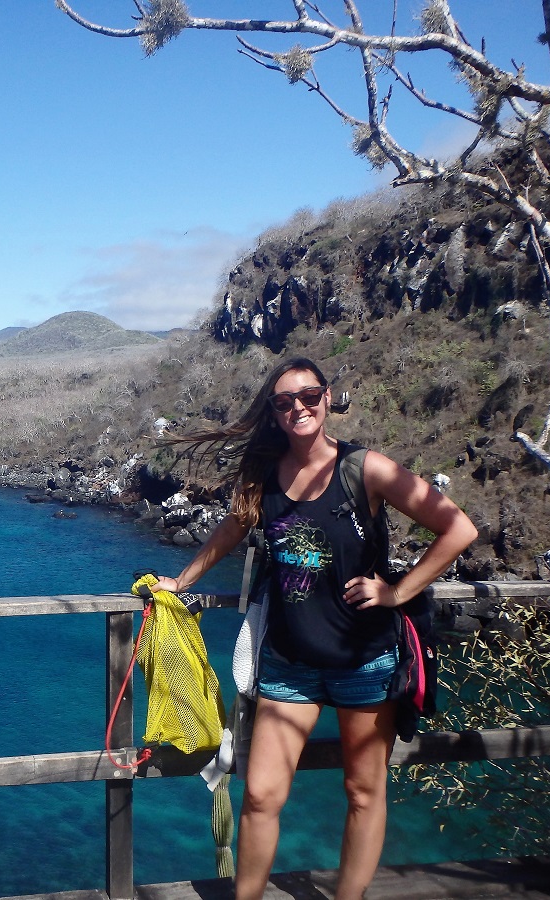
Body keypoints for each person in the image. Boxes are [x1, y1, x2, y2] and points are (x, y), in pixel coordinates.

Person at [154, 357, 478, 900]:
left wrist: (398, 591)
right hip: (290, 663)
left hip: (365, 658)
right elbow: (233, 528)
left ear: (328, 398)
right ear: (274, 413)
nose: (298, 407)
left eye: (308, 395)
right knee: (259, 795)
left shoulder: (365, 468)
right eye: (284, 402)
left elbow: (457, 527)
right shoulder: (264, 473)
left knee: (363, 792)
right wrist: (181, 581)